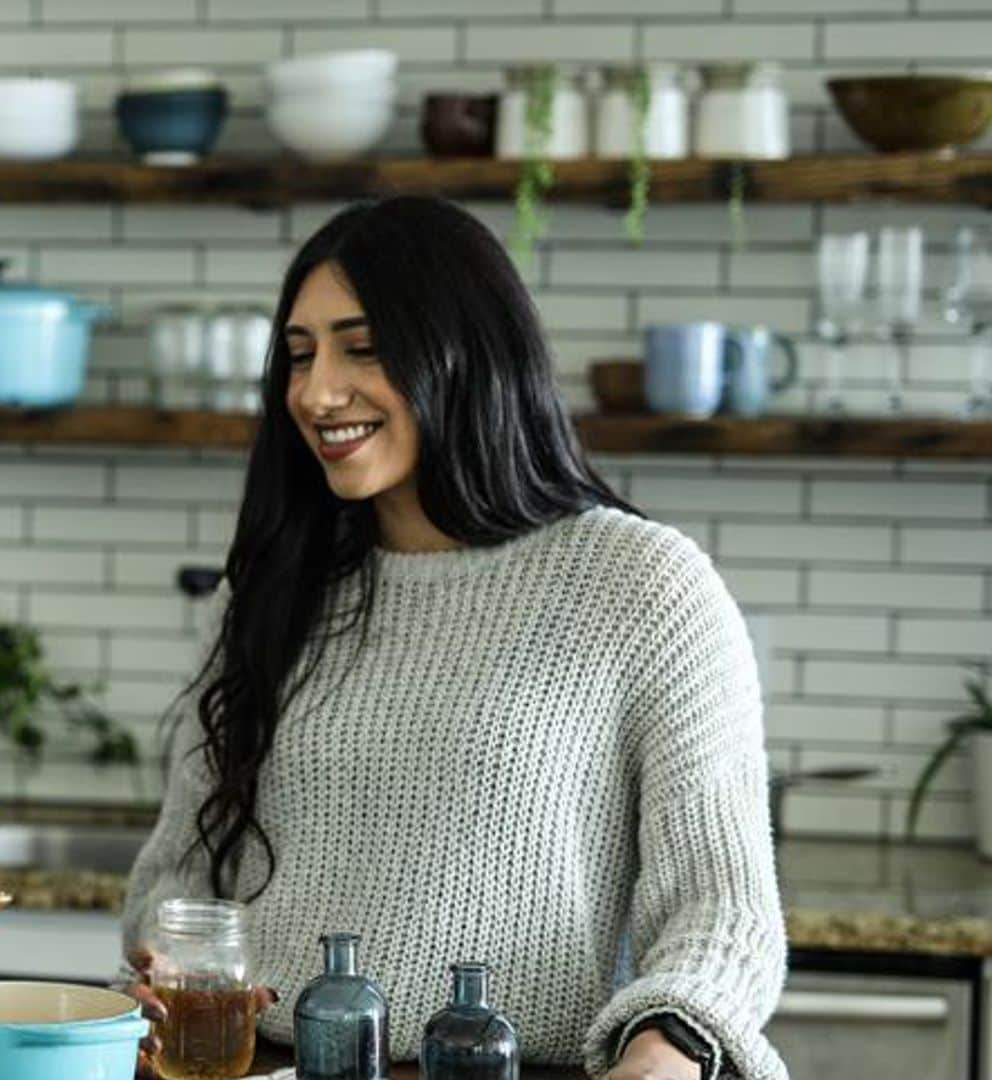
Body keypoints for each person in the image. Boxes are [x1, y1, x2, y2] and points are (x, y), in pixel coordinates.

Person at [123, 196, 786, 1080]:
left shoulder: (643, 587)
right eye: (298, 355)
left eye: (363, 348)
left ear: (467, 354)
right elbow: (175, 881)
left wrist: (664, 1053)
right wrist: (166, 964)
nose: (317, 391)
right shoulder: (273, 592)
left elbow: (724, 913)